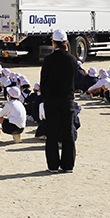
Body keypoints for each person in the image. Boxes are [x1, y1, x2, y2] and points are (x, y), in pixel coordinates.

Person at [39, 29, 78, 173]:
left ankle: (53, 165)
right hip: (67, 99)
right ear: (66, 42)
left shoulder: (48, 60)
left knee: (52, 132)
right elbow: (75, 80)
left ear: (54, 43)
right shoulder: (72, 60)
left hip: (51, 101)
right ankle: (68, 165)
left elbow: (44, 82)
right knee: (68, 132)